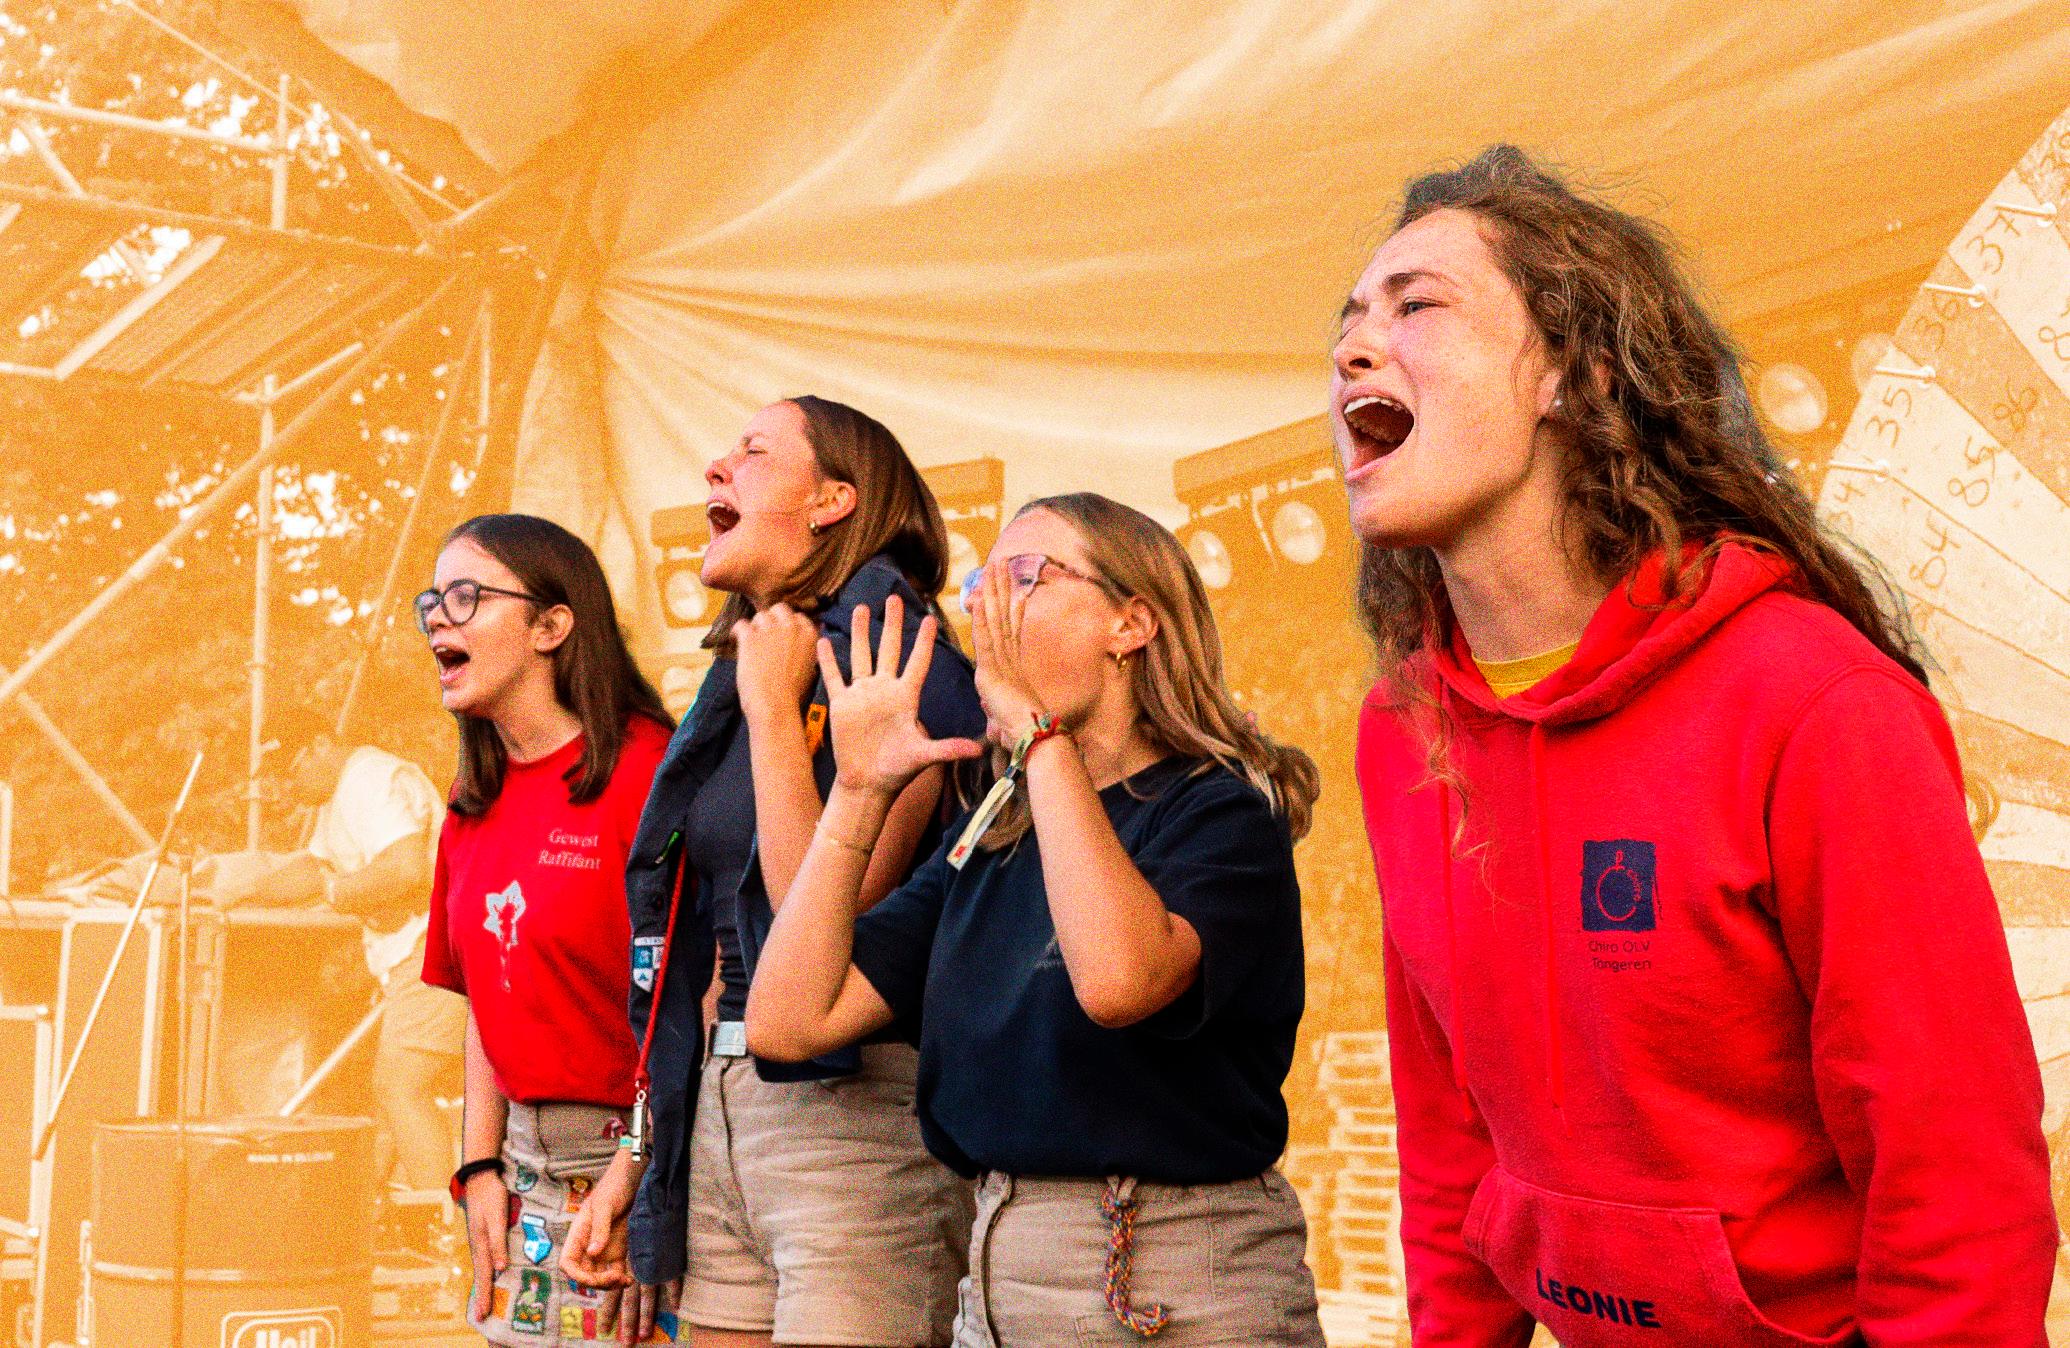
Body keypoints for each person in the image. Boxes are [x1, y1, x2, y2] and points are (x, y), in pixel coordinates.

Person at [1340, 145, 2056, 1344]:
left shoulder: (1813, 699)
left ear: (1571, 372)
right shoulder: (1402, 730)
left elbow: (1955, 1180)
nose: (1357, 347)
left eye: (1417, 306)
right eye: (1352, 320)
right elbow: (1451, 1141)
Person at [743, 493, 1328, 1347]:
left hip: (1168, 1272)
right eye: (983, 580)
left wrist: (1037, 736)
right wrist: (858, 794)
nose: (988, 603)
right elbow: (788, 1022)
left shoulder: (1219, 810)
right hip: (1003, 1263)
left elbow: (1119, 982)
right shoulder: (997, 839)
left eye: (1025, 575)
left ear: (1130, 624)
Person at [563, 397, 984, 1348]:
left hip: (851, 1124)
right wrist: (641, 1153)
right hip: (723, 1102)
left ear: (833, 500)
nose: (717, 466)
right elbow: (708, 958)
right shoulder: (752, 671)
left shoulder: (891, 656)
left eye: (754, 452)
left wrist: (769, 715)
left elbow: (809, 929)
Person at [417, 513, 674, 1347]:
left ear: (551, 626)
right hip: (519, 1168)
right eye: (432, 601)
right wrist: (478, 1166)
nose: (438, 618)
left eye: (466, 596)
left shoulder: (649, 770)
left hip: (637, 1157)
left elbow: (696, 1004)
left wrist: (641, 1172)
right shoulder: (471, 799)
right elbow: (486, 1002)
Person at [195, 711, 462, 1198]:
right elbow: (315, 871)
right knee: (394, 1095)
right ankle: (386, 1211)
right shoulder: (338, 796)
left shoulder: (367, 780)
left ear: (321, 745)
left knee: (403, 1086)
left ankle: (442, 1224)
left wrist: (339, 893)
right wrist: (242, 889)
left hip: (437, 943)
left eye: (291, 769)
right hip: (417, 950)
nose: (286, 786)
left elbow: (404, 869)